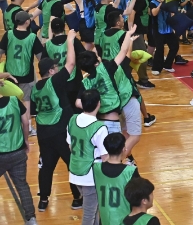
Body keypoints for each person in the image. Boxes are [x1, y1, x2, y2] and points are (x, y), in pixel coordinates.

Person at [31, 29, 83, 212]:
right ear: (51, 71)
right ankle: (77, 197)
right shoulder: (55, 81)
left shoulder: (36, 88)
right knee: (71, 163)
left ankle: (43, 199)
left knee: (46, 166)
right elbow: (71, 63)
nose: (58, 68)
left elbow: (34, 110)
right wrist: (70, 41)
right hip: (60, 129)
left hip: (44, 132)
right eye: (55, 67)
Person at [0, 71, 38, 225]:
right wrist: (26, 140)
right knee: (22, 185)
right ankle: (31, 218)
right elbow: (26, 122)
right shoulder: (14, 101)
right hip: (17, 151)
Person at [68, 89, 109, 225]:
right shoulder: (99, 127)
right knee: (89, 214)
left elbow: (70, 146)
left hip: (74, 172)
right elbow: (105, 156)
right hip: (90, 176)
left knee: (94, 210)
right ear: (99, 103)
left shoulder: (73, 119)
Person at [0, 11, 43, 136]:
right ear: (27, 22)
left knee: (11, 100)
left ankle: (12, 126)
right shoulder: (32, 37)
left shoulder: (8, 34)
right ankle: (28, 128)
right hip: (26, 75)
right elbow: (41, 57)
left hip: (9, 74)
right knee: (26, 101)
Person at [93, 133, 141, 225]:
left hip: (104, 219)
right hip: (125, 221)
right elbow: (139, 195)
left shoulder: (96, 168)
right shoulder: (130, 171)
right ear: (124, 149)